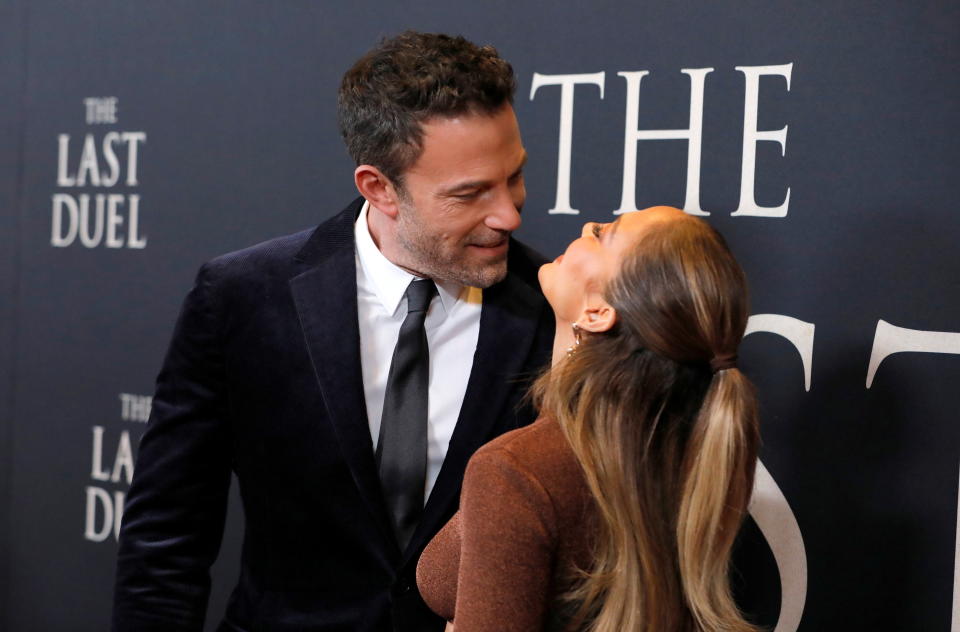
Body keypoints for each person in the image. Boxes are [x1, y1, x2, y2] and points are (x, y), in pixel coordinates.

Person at [112, 32, 554, 631]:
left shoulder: (551, 306)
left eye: (514, 177)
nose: (509, 213)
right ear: (379, 188)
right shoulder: (242, 297)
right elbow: (167, 532)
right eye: (470, 194)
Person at [417, 206, 761, 632]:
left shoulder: (518, 471)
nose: (585, 227)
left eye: (603, 235)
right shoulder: (703, 445)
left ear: (598, 313)